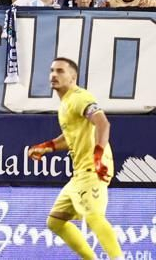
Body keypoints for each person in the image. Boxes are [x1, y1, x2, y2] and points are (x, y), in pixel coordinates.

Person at [28, 57, 122, 260]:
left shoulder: (80, 97)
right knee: (55, 222)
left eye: (60, 71)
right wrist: (48, 146)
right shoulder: (66, 103)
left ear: (73, 77)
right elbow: (71, 136)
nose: (54, 75)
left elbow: (103, 124)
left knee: (93, 215)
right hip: (79, 172)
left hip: (93, 166)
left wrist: (97, 155)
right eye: (52, 70)